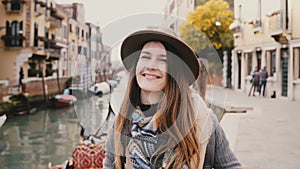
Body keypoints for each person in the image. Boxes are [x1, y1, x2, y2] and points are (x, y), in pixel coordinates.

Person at [103, 27, 242, 169]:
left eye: (162, 60)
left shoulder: (202, 120)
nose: (151, 66)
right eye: (145, 57)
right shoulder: (120, 124)